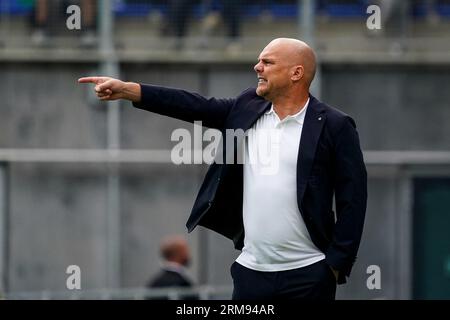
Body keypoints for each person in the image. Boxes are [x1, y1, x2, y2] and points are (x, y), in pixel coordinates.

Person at [79, 37, 367, 300]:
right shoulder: (247, 107)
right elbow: (194, 105)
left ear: (296, 73)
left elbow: (353, 198)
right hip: (251, 273)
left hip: (310, 273)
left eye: (267, 62)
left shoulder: (335, 125)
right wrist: (129, 90)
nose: (258, 67)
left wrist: (336, 265)